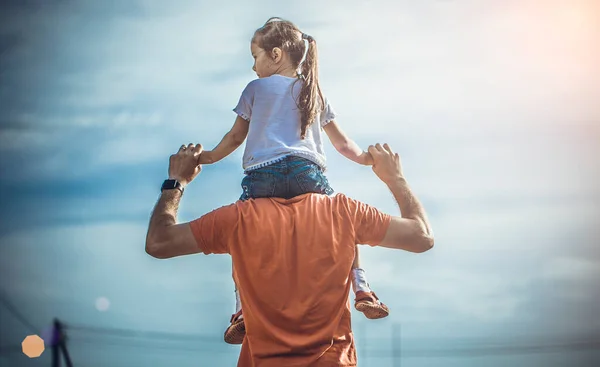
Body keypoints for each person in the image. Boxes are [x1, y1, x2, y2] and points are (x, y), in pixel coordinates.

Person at [145, 142, 434, 367]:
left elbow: (159, 242)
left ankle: (241, 309)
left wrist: (177, 182)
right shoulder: (343, 212)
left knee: (243, 252)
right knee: (348, 241)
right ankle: (363, 289)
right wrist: (395, 178)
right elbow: (421, 236)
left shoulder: (238, 219)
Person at [196, 16, 387, 344]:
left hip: (262, 178)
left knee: (240, 240)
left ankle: (241, 308)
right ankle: (363, 288)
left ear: (276, 54)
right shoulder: (313, 91)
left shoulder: (255, 89)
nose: (253, 66)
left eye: (255, 56)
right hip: (306, 174)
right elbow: (343, 144)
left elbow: (234, 137)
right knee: (346, 226)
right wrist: (369, 159)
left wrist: (209, 157)